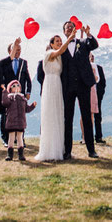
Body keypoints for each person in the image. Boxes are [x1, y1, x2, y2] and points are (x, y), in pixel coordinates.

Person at [59, 21, 99, 159]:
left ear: (75, 30)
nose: (69, 29)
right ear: (64, 32)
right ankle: (67, 151)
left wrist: (88, 34)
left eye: (72, 27)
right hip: (68, 87)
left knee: (87, 117)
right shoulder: (62, 47)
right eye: (67, 27)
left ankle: (91, 150)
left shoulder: (82, 43)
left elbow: (94, 45)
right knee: (67, 119)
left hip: (83, 85)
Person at [35, 32, 72, 161]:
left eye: (60, 41)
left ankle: (58, 149)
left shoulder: (60, 57)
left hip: (58, 85)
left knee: (58, 114)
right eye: (57, 41)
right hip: (50, 84)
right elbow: (60, 51)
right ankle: (49, 150)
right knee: (50, 115)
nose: (59, 43)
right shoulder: (49, 54)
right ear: (51, 44)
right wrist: (69, 39)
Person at [0, 38, 31, 144]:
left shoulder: (24, 62)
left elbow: (27, 78)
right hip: (8, 93)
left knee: (21, 115)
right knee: (6, 115)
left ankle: (21, 138)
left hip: (20, 93)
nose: (18, 51)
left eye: (19, 49)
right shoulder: (5, 63)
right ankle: (6, 138)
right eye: (16, 49)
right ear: (10, 51)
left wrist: (28, 92)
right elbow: (1, 76)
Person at [2, 79, 36, 161]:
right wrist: (4, 92)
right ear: (10, 89)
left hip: (20, 121)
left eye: (18, 86)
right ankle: (10, 154)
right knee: (11, 137)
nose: (16, 87)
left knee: (20, 137)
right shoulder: (9, 97)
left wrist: (32, 106)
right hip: (11, 121)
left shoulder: (22, 98)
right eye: (14, 86)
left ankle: (21, 154)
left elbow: (26, 109)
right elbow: (4, 103)